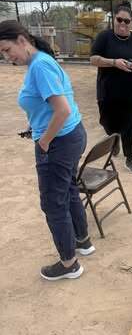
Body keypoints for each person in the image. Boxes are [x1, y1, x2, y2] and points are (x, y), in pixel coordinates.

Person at [0, 20, 94, 281]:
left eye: (7, 50)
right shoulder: (41, 61)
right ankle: (83, 241)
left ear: (21, 40)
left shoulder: (40, 65)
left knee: (53, 203)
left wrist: (44, 141)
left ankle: (69, 264)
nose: (7, 57)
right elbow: (49, 105)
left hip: (58, 142)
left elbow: (62, 109)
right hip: (70, 136)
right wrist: (36, 125)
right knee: (69, 190)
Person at [90, 1, 132, 174]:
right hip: (108, 92)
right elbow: (93, 59)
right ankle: (114, 139)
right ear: (114, 19)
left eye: (127, 21)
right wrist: (113, 62)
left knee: (130, 125)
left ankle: (130, 158)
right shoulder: (104, 37)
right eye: (119, 19)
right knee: (107, 123)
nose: (122, 24)